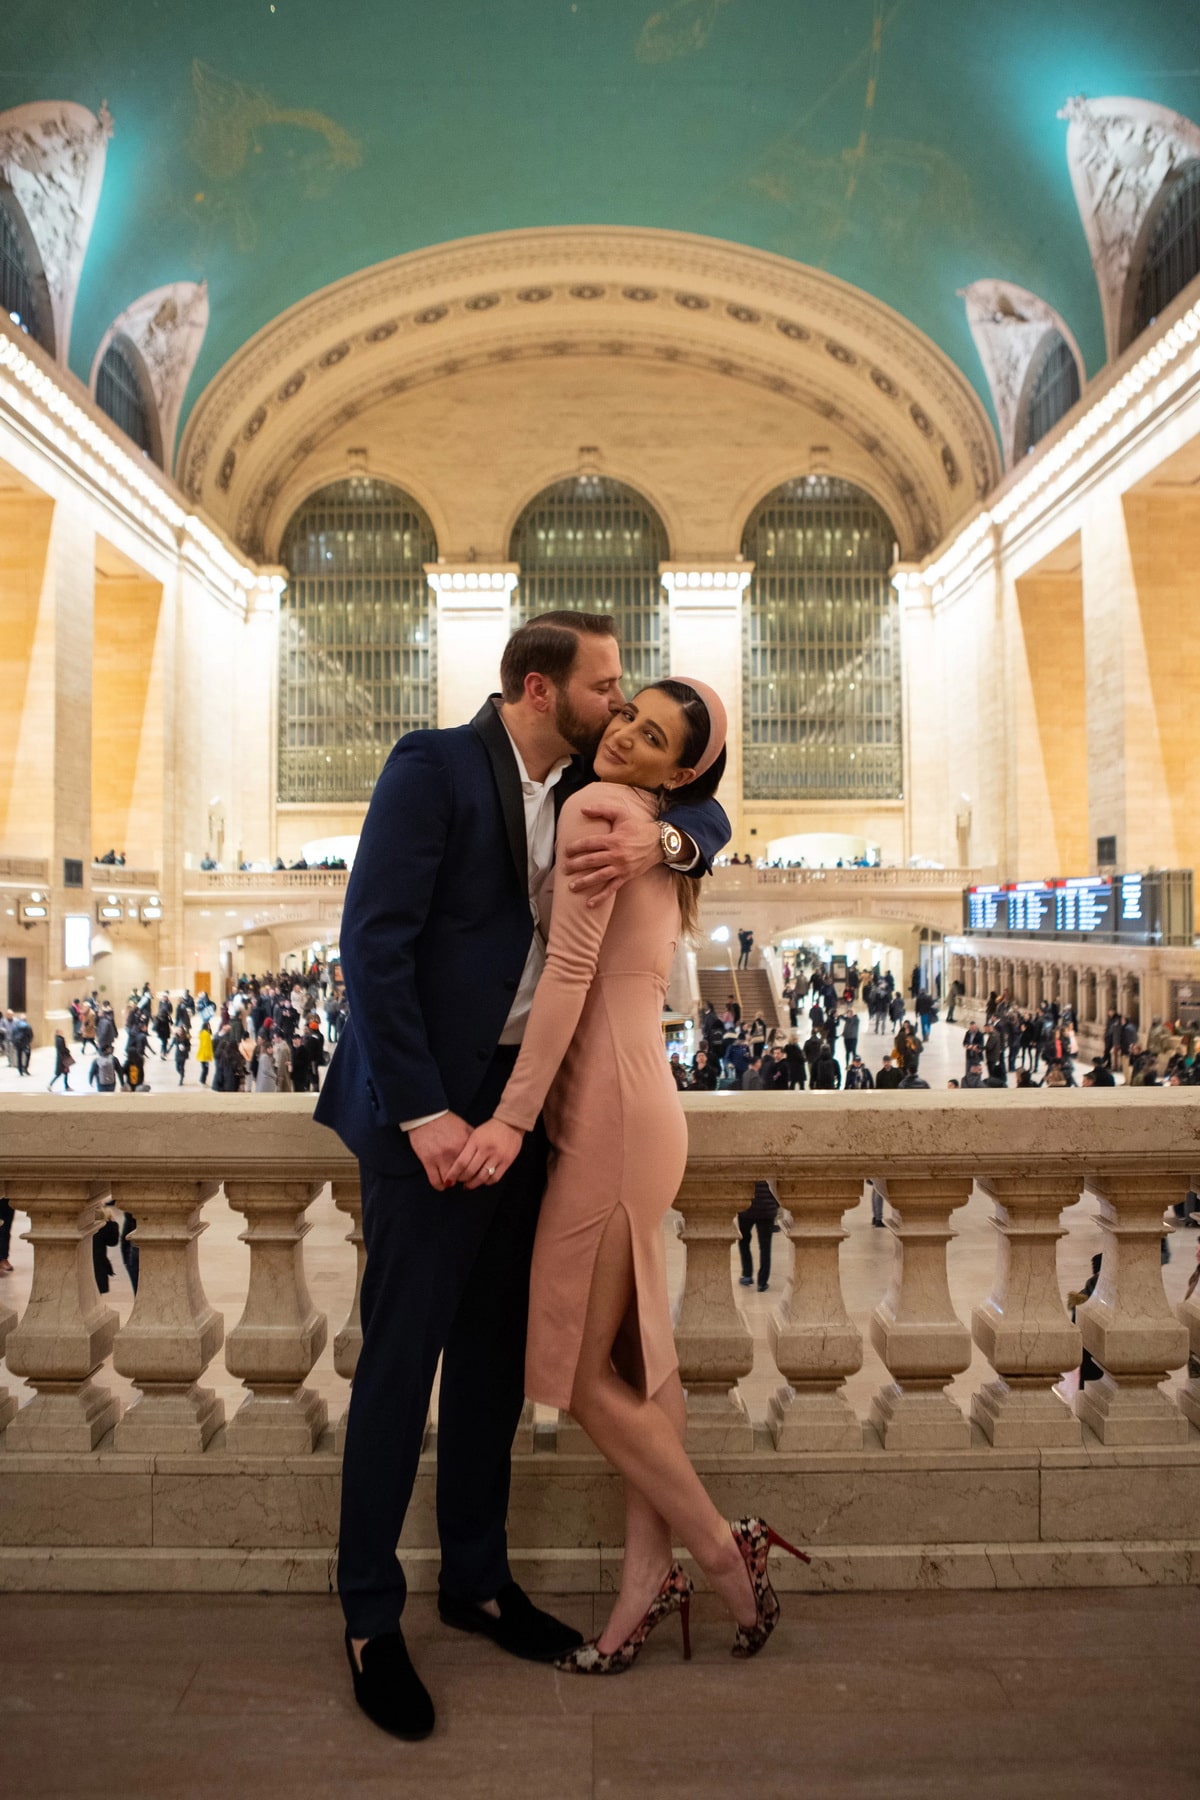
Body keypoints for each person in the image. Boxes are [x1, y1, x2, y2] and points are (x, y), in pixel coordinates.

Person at [314, 614, 731, 1740]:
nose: (622, 702)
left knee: (495, 1361)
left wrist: (676, 844)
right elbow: (373, 946)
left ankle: (479, 1581)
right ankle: (369, 1618)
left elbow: (709, 805)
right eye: (609, 687)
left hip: (531, 1118)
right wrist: (424, 1116)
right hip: (433, 1124)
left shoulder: (615, 798)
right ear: (546, 691)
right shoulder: (432, 766)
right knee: (401, 1368)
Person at [451, 673, 807, 1681]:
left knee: (570, 1373)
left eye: (651, 735)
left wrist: (512, 1118)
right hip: (637, 1111)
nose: (622, 735)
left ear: (678, 770)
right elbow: (702, 823)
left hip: (604, 1122)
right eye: (626, 715)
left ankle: (718, 1551)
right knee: (638, 1364)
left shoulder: (603, 811)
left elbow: (567, 978)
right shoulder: (657, 820)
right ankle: (643, 1584)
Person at [737, 1179, 779, 1293]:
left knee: (743, 1241)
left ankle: (747, 1274)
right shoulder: (772, 1163)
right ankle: (762, 1282)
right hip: (767, 1210)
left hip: (747, 1209)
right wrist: (776, 1205)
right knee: (765, 1247)